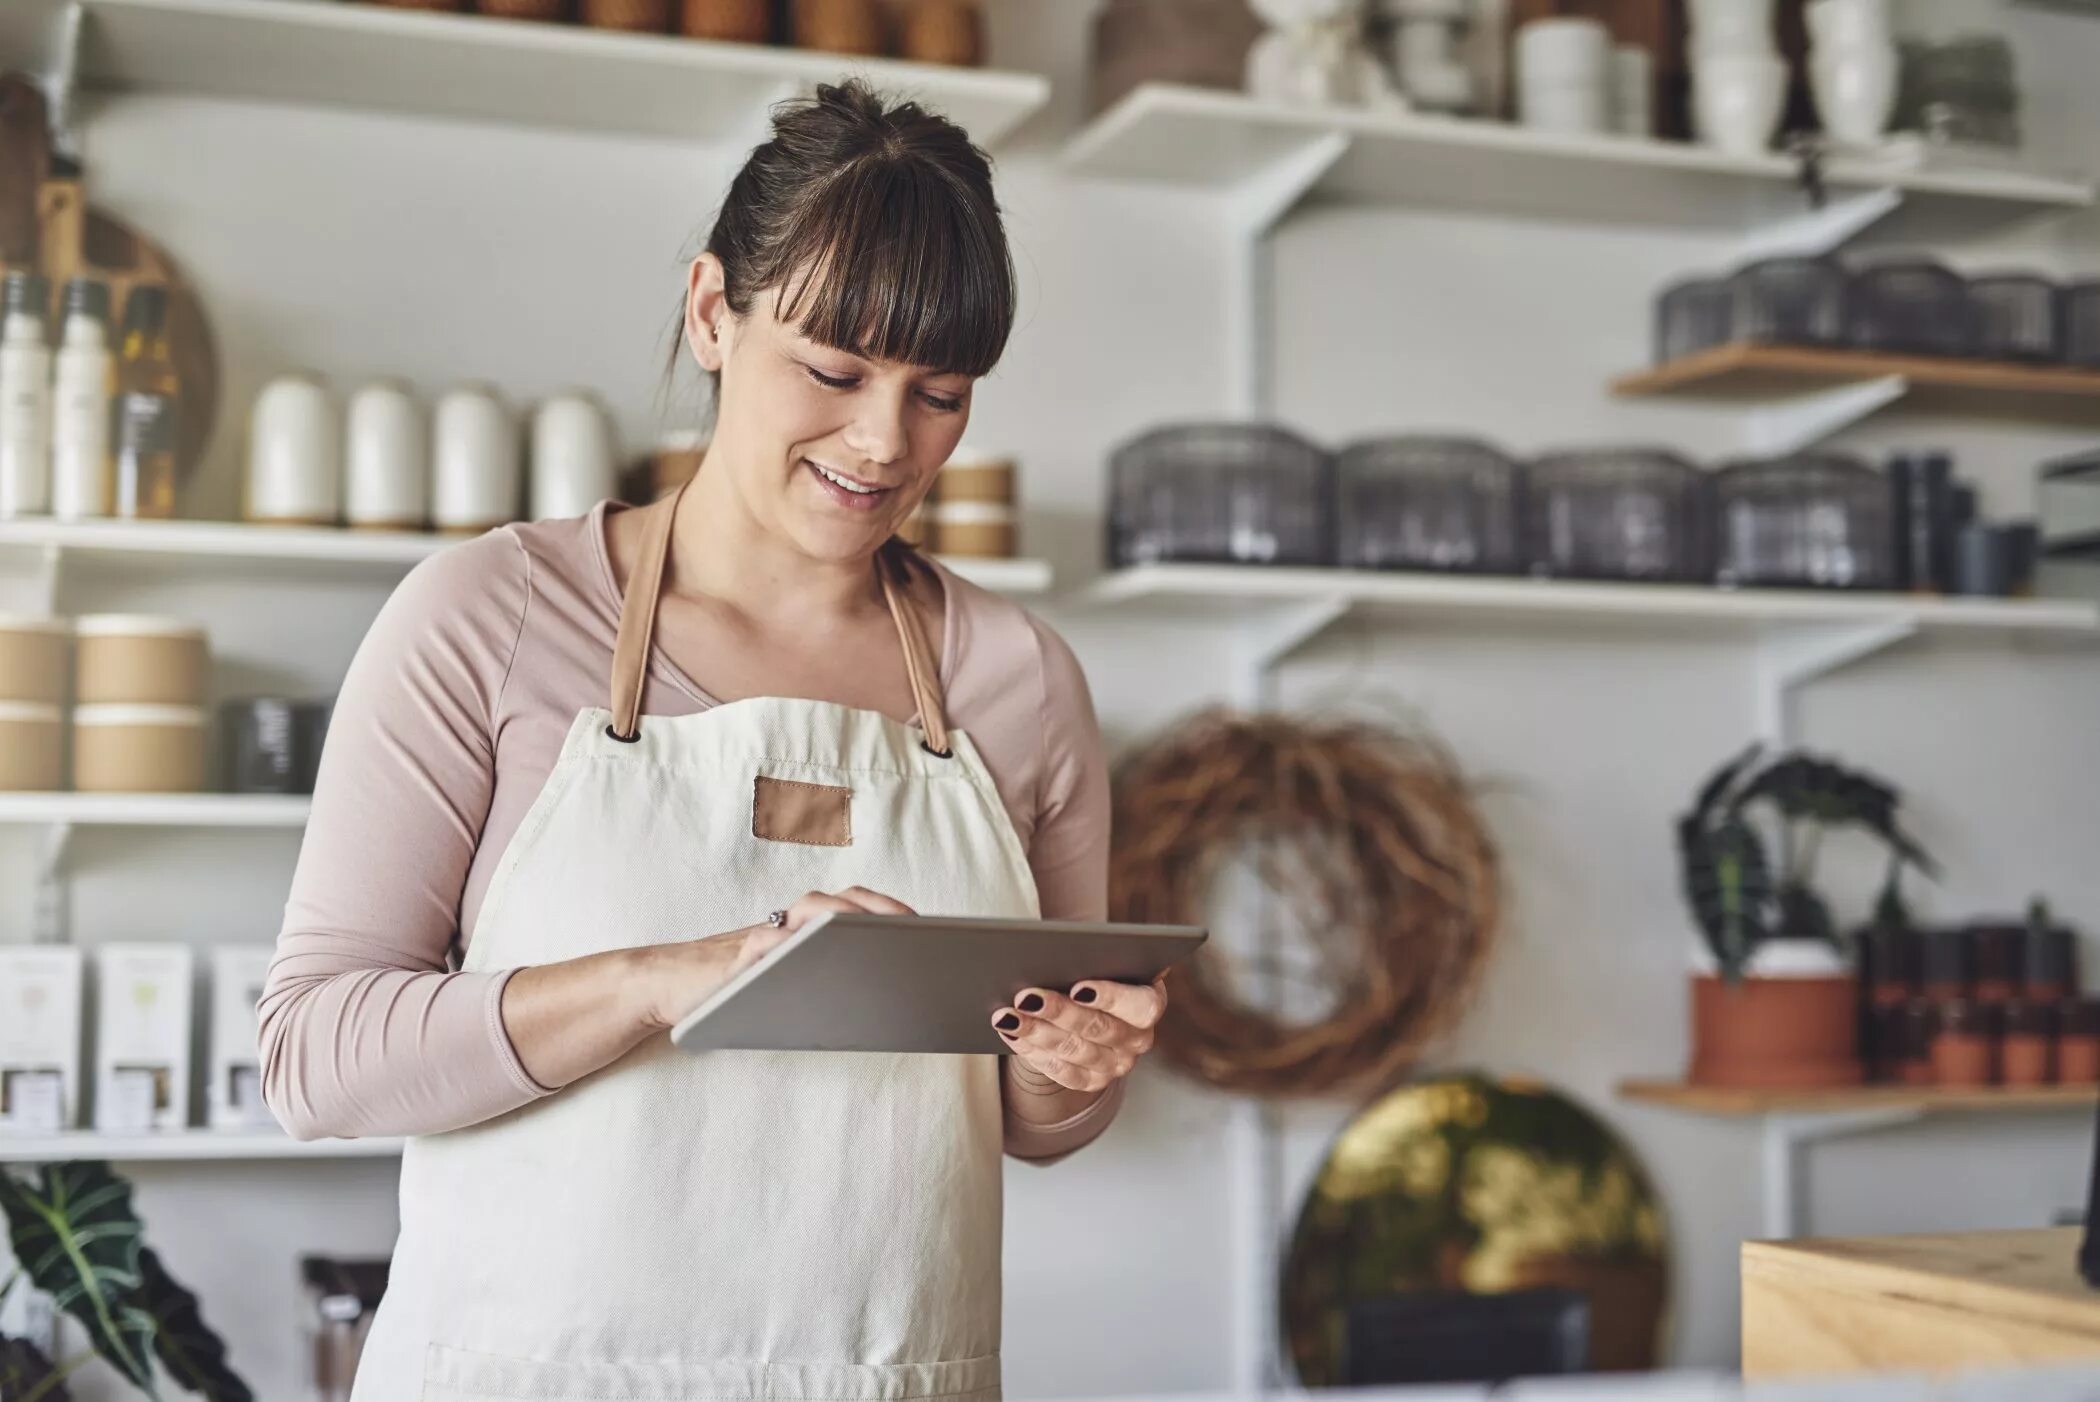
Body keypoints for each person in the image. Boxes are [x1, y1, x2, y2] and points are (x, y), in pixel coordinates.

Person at [259, 80, 1165, 1401]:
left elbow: (1036, 1123)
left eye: (942, 394)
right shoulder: (497, 617)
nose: (883, 441)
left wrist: (1072, 1072)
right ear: (709, 313)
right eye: (834, 370)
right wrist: (661, 980)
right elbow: (314, 1056)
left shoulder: (1017, 681)